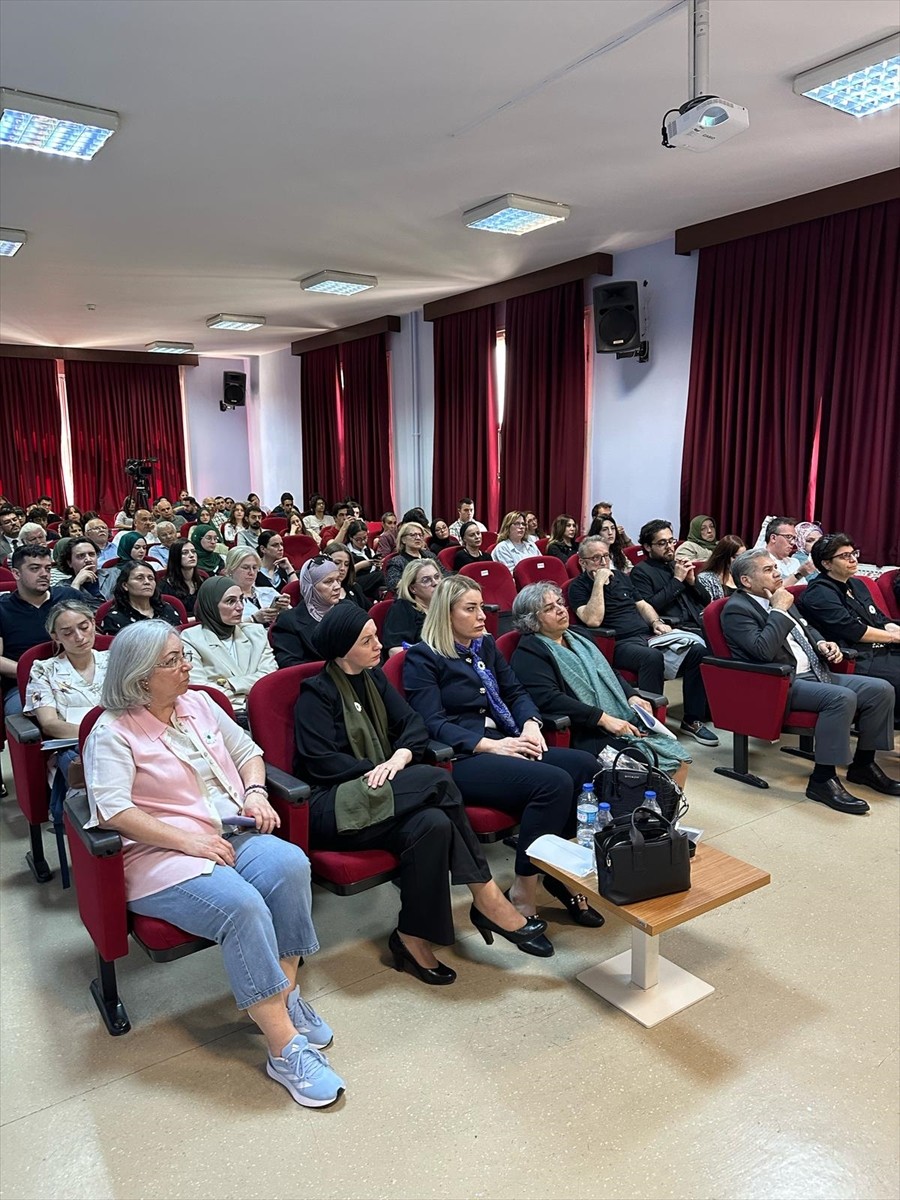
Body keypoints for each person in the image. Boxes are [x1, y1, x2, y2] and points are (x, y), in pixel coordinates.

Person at [83, 621, 343, 1106]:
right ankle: (284, 1047)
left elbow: (248, 752)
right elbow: (114, 811)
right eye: (174, 661)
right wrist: (190, 841)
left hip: (228, 834)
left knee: (289, 864)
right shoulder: (113, 731)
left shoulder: (199, 703)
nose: (188, 666)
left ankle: (282, 997)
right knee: (241, 906)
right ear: (140, 677)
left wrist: (256, 791)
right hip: (160, 853)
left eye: (184, 655)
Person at [293, 604, 550, 983]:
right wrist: (380, 769)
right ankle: (487, 896)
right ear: (343, 650)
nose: (378, 645)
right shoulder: (316, 693)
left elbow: (412, 724)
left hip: (382, 792)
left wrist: (399, 756)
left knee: (433, 824)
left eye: (376, 636)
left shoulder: (374, 678)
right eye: (367, 641)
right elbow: (321, 761)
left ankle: (411, 937)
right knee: (437, 780)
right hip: (334, 805)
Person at [403, 576, 605, 928]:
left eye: (481, 607)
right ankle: (524, 888)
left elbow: (516, 692)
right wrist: (491, 745)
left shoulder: (484, 646)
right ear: (446, 614)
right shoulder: (424, 657)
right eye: (471, 609)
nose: (483, 615)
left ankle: (555, 869)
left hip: (506, 739)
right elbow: (431, 723)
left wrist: (530, 724)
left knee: (586, 766)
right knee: (554, 783)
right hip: (463, 757)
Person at [722, 549, 898, 812]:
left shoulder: (781, 596)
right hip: (780, 682)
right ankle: (822, 779)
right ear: (746, 581)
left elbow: (807, 628)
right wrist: (778, 610)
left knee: (880, 689)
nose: (777, 573)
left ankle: (863, 765)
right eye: (768, 570)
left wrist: (823, 643)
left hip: (816, 670)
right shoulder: (737, 609)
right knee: (841, 697)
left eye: (775, 567)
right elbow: (762, 651)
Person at [510, 583, 691, 785]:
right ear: (532, 620)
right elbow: (549, 699)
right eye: (549, 608)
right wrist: (602, 718)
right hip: (585, 731)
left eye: (559, 603)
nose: (560, 610)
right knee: (649, 766)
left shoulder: (579, 635)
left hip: (618, 718)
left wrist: (631, 695)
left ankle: (666, 805)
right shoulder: (530, 653)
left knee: (677, 756)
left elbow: (609, 672)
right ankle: (649, 804)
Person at [570, 536, 718, 746]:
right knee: (651, 657)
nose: (602, 562)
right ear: (582, 562)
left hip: (646, 636)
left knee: (698, 651)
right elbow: (593, 620)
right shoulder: (578, 587)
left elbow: (642, 604)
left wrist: (656, 622)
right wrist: (599, 584)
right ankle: (650, 724)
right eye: (595, 558)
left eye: (605, 556)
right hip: (617, 643)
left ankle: (692, 719)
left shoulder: (621, 577)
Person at [24, 600, 109, 829]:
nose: (79, 637)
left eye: (84, 627)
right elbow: (50, 724)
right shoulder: (44, 670)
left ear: (93, 624)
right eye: (68, 633)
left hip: (122, 737)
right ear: (55, 636)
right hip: (72, 744)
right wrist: (98, 735)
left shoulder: (113, 660)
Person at [797, 533, 900, 720]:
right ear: (827, 563)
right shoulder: (819, 593)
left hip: (879, 647)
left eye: (853, 553)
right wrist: (894, 637)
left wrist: (894, 629)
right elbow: (854, 631)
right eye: (845, 556)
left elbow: (878, 619)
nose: (853, 559)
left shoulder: (856, 584)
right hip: (855, 656)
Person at [0, 546, 82, 716]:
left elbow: (91, 638)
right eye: (35, 568)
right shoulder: (2, 608)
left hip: (78, 675)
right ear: (16, 573)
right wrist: (38, 673)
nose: (44, 574)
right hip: (25, 682)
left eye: (48, 568)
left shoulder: (69, 597)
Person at [180, 577, 278, 718]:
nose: (240, 607)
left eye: (241, 599)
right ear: (211, 605)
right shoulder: (190, 638)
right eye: (230, 601)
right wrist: (245, 697)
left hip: (263, 709)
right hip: (218, 714)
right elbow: (201, 688)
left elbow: (270, 676)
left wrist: (232, 684)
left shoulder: (256, 632)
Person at [271, 555, 345, 668]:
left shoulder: (347, 608)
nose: (337, 587)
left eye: (338, 580)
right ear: (310, 587)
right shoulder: (289, 621)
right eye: (328, 582)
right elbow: (290, 665)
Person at [100, 561, 181, 635]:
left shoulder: (167, 609)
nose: (147, 582)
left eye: (151, 578)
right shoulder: (114, 619)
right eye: (140, 578)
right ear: (125, 585)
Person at [383, 559, 441, 655]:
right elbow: (395, 651)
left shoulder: (445, 604)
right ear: (413, 588)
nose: (435, 583)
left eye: (437, 577)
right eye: (426, 580)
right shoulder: (402, 608)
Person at [221, 546, 290, 626]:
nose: (251, 572)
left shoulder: (270, 592)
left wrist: (285, 610)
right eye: (245, 568)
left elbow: (295, 619)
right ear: (231, 569)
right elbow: (223, 626)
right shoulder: (224, 598)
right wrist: (253, 619)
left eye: (254, 568)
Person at [384, 523, 446, 593]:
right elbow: (393, 583)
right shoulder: (397, 561)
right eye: (413, 535)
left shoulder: (430, 555)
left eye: (420, 535)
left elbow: (444, 573)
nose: (418, 538)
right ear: (403, 540)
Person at [49, 536, 104, 607]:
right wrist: (75, 585)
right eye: (81, 556)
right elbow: (67, 610)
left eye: (91, 554)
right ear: (69, 563)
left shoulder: (113, 574)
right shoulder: (62, 588)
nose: (88, 559)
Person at [760, 517, 816, 585]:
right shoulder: (760, 562)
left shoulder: (794, 562)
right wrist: (799, 574)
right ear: (773, 538)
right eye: (788, 537)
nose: (793, 542)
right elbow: (773, 589)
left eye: (794, 538)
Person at [163, 539, 208, 616]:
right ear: (175, 557)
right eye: (185, 553)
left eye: (193, 551)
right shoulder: (165, 586)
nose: (191, 555)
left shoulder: (204, 581)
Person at [99, 532, 150, 599]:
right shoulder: (116, 572)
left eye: (144, 548)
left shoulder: (149, 566)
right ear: (127, 547)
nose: (142, 551)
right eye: (137, 547)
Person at [343, 520, 385, 599]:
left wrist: (377, 564)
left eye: (365, 538)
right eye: (358, 539)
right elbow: (344, 575)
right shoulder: (345, 552)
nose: (363, 542)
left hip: (370, 581)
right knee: (381, 575)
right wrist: (361, 565)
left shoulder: (367, 550)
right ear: (351, 538)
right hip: (353, 582)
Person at [322, 541, 369, 611]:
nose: (342, 568)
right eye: (337, 563)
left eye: (346, 564)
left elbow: (371, 612)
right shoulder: (318, 592)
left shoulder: (354, 587)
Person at [697, 535, 746, 601]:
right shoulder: (706, 579)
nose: (741, 560)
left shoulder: (743, 574)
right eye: (735, 557)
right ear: (723, 557)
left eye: (744, 556)